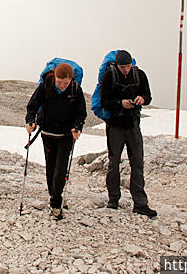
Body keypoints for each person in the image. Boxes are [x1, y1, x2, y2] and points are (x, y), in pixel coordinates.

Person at [100, 49, 157, 217]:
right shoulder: (109, 76)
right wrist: (120, 103)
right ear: (117, 65)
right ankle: (113, 200)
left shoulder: (140, 75)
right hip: (115, 126)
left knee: (137, 163)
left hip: (133, 125)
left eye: (127, 66)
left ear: (132, 64)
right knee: (113, 163)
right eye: (122, 66)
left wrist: (142, 100)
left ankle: (140, 203)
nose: (125, 69)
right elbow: (104, 102)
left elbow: (148, 96)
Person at [25, 62, 86, 220]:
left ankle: (56, 203)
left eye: (65, 83)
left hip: (66, 135)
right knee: (51, 167)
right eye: (60, 82)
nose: (62, 85)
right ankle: (54, 195)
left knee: (61, 168)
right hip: (47, 133)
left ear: (71, 80)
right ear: (55, 77)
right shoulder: (46, 86)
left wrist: (77, 127)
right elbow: (32, 106)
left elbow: (81, 113)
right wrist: (30, 120)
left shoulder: (75, 89)